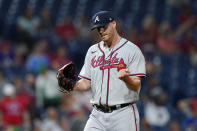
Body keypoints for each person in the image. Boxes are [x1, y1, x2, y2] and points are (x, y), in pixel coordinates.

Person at [74, 11, 146, 131]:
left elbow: (136, 85)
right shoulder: (92, 51)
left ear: (113, 24)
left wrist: (126, 78)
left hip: (123, 114)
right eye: (98, 28)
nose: (101, 31)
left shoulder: (132, 50)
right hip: (97, 115)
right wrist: (72, 85)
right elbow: (86, 83)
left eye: (104, 27)